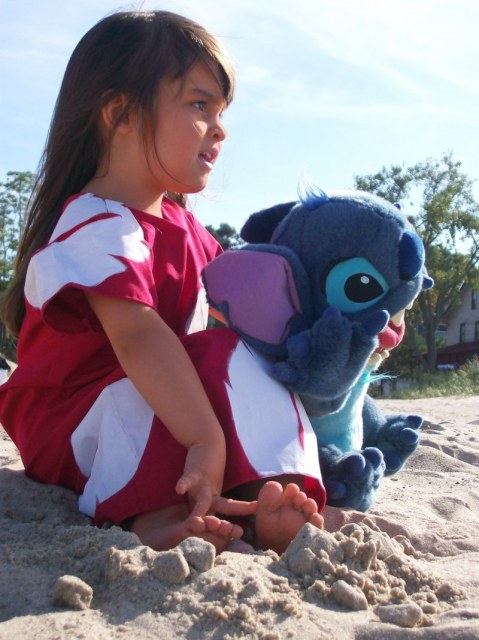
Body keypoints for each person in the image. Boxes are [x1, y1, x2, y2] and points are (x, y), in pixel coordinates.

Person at [0, 10, 325, 554]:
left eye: (221, 112)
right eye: (199, 105)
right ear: (121, 113)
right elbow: (139, 338)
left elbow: (248, 309)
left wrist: (342, 320)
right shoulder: (95, 222)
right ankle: (157, 515)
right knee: (170, 374)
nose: (220, 129)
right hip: (74, 421)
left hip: (166, 407)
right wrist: (204, 436)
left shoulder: (185, 227)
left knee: (234, 352)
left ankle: (269, 494)